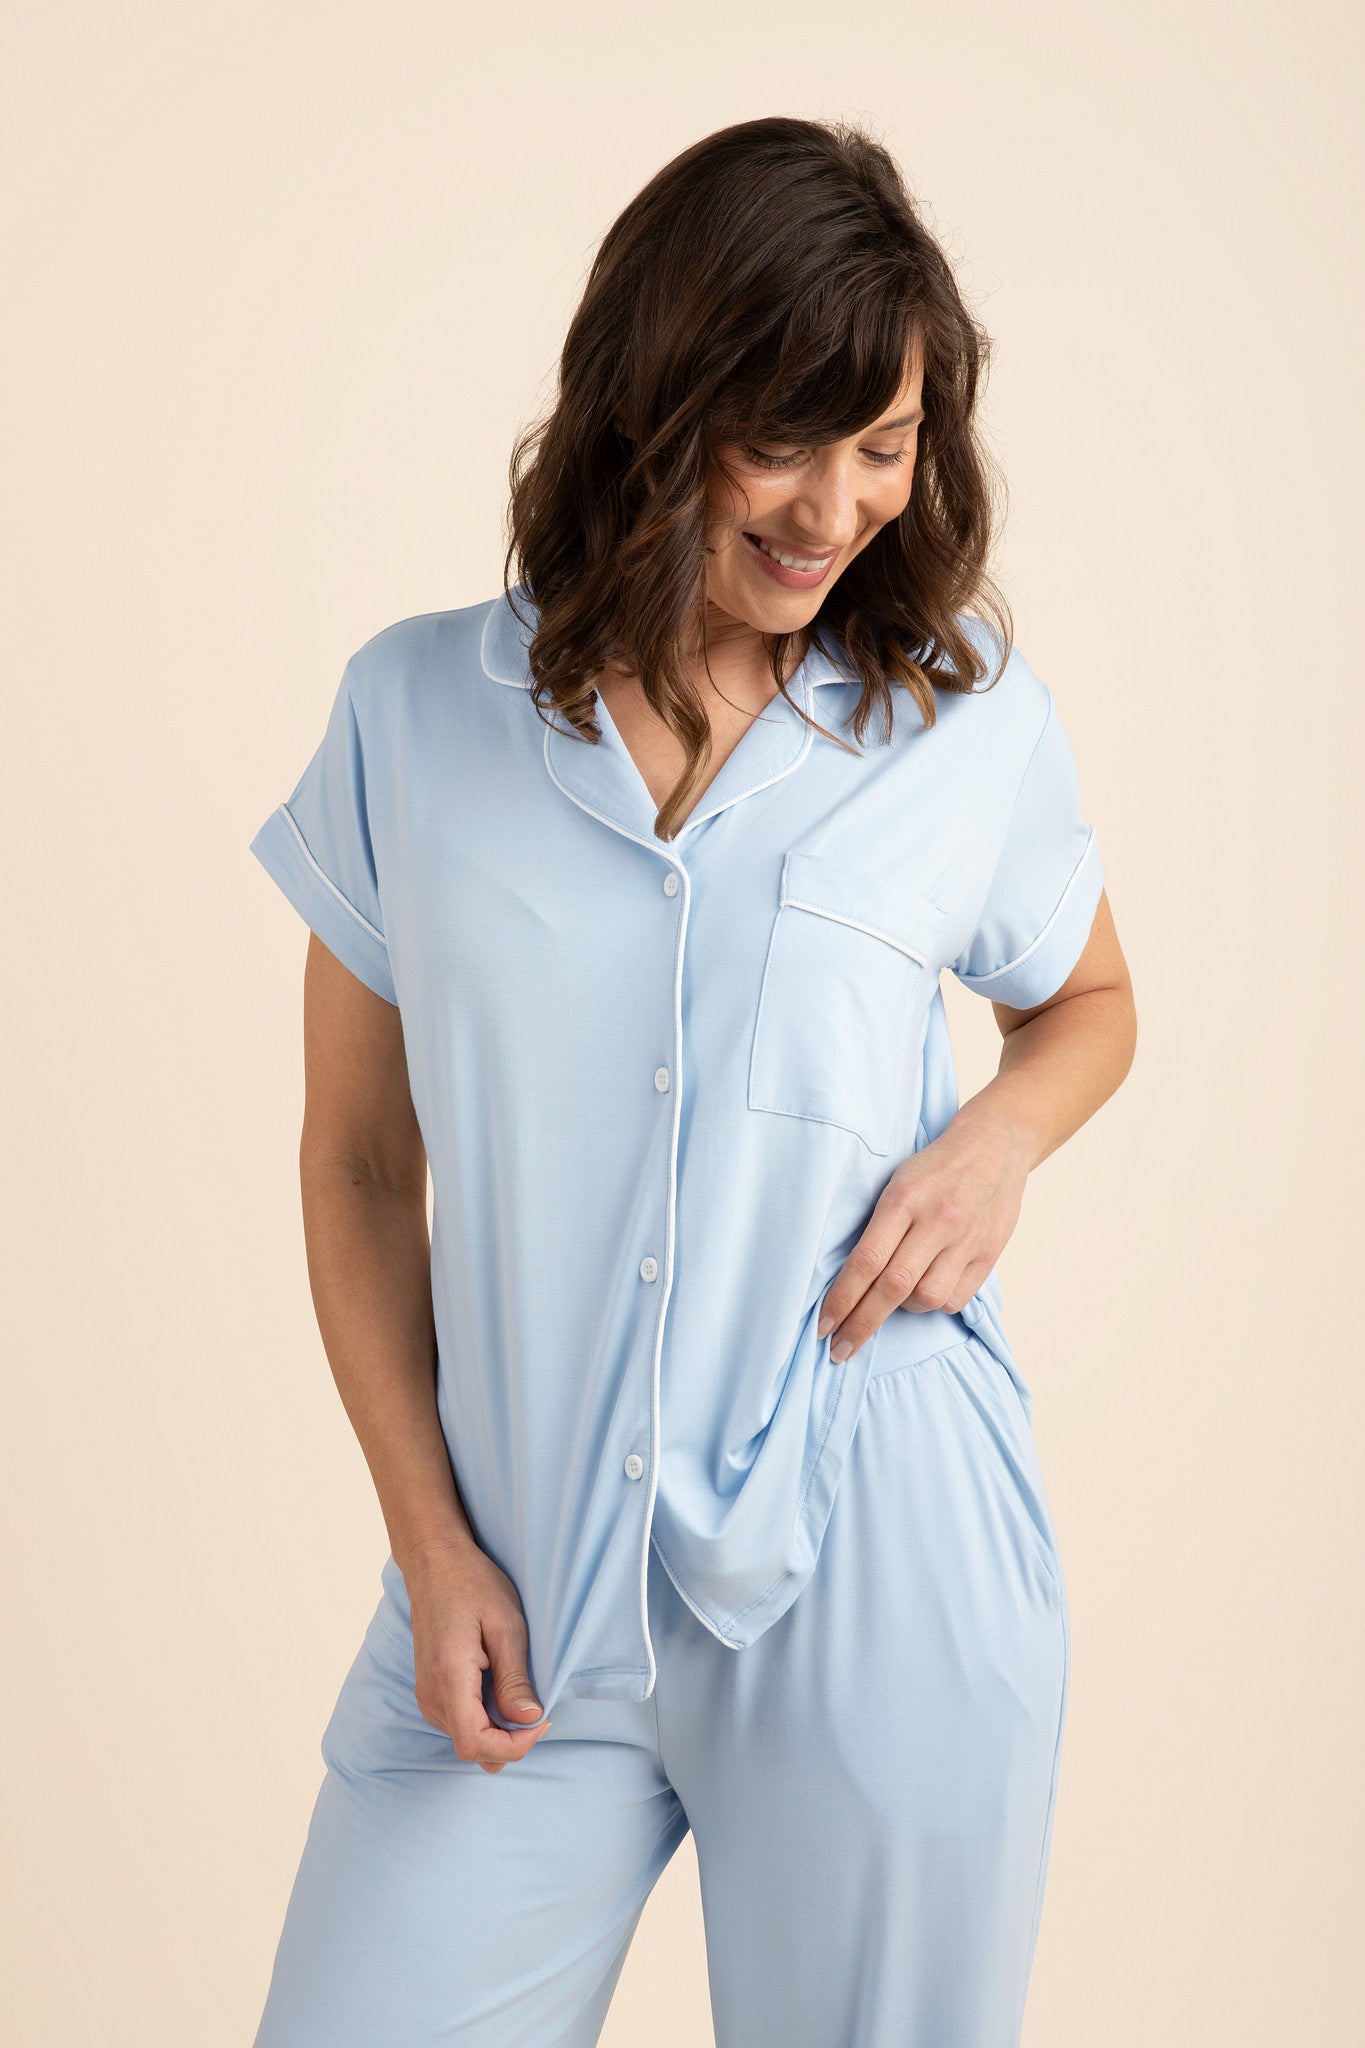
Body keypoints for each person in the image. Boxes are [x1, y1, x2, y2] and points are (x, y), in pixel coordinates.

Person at [246, 114, 1136, 2048]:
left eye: (885, 448)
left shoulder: (958, 724)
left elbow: (1089, 1006)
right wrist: (427, 1535)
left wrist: (994, 1143)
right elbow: (353, 1161)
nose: (834, 509)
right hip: (515, 1584)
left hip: (877, 1546)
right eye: (784, 438)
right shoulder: (415, 714)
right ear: (655, 406)